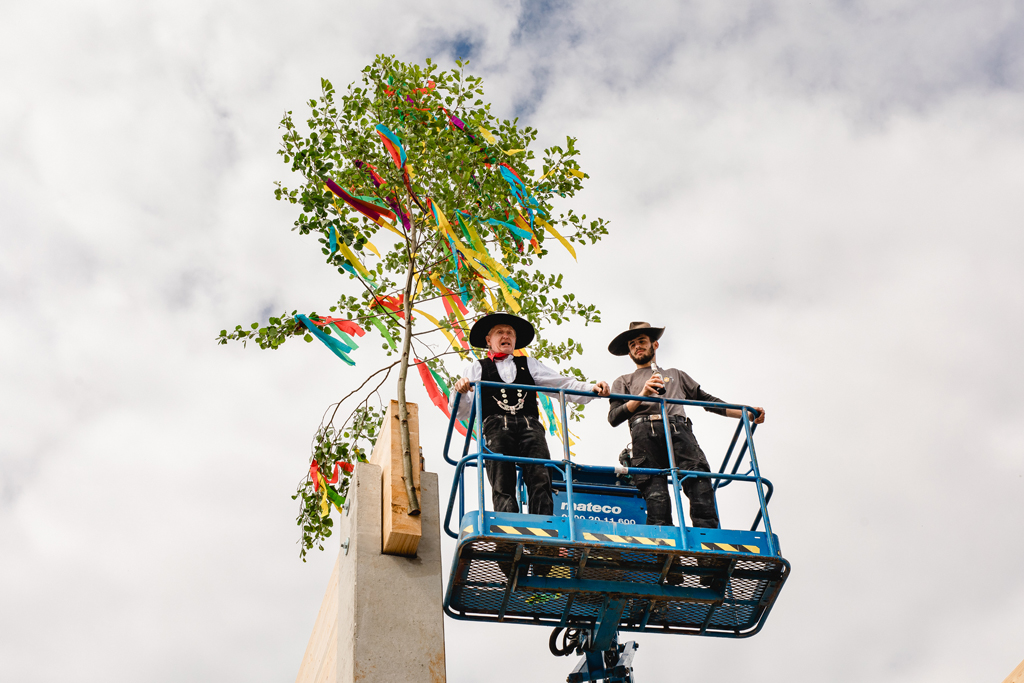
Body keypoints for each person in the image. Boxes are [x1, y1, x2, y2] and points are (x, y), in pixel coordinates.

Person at [607, 322, 765, 528]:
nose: (637, 347)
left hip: (678, 430)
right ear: (629, 354)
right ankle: (661, 543)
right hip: (644, 434)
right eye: (632, 344)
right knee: (656, 492)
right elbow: (614, 417)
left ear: (654, 345)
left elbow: (708, 401)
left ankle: (708, 542)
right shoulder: (623, 381)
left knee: (699, 479)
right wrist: (643, 394)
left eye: (642, 342)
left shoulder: (676, 374)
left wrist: (747, 413)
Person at [452, 313, 611, 516]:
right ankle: (508, 524)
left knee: (540, 476)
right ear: (488, 340)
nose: (506, 335)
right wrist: (460, 391)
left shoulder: (529, 364)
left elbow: (561, 384)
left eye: (510, 332)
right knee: (502, 478)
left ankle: (543, 525)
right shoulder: (476, 368)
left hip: (529, 426)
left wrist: (591, 389)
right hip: (495, 428)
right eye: (500, 332)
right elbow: (462, 412)